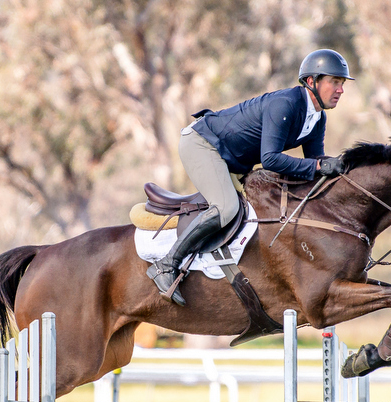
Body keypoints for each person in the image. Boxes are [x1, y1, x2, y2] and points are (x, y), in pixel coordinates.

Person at [147, 49, 354, 306]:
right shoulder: (286, 104)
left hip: (233, 160)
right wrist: (321, 166)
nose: (340, 90)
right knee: (226, 208)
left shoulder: (317, 118)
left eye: (342, 83)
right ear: (311, 81)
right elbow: (271, 159)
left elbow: (314, 165)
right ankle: (166, 265)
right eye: (335, 82)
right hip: (203, 143)